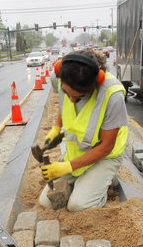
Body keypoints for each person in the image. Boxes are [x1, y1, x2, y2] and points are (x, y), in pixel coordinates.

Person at [39, 49, 129, 211]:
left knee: (77, 205)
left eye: (79, 96)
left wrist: (68, 167)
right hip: (77, 153)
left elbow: (107, 146)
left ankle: (104, 180)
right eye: (68, 93)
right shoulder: (60, 77)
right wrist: (56, 127)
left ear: (97, 82)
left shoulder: (112, 95)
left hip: (104, 156)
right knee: (46, 202)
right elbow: (63, 101)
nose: (72, 100)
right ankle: (86, 181)